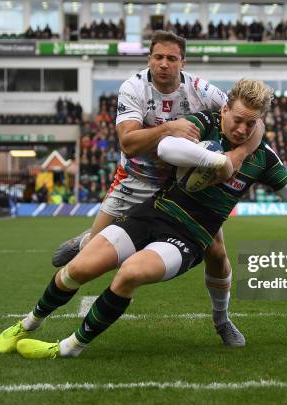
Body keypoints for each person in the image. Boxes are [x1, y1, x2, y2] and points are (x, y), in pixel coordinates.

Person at [0, 79, 287, 359]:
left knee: (130, 274)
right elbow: (165, 148)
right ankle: (28, 324)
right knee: (80, 268)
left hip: (189, 237)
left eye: (249, 124)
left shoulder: (263, 158)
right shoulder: (204, 123)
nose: (240, 128)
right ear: (225, 109)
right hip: (152, 213)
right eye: (236, 119)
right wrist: (219, 162)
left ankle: (67, 348)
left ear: (260, 123)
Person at [51, 30, 262, 346]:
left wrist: (238, 155)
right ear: (149, 59)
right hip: (135, 180)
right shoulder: (133, 87)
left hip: (182, 188)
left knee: (217, 251)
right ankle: (85, 242)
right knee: (93, 253)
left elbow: (254, 119)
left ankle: (223, 322)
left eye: (171, 58)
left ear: (182, 63)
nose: (164, 64)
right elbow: (128, 143)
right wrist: (169, 128)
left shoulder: (201, 90)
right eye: (158, 57)